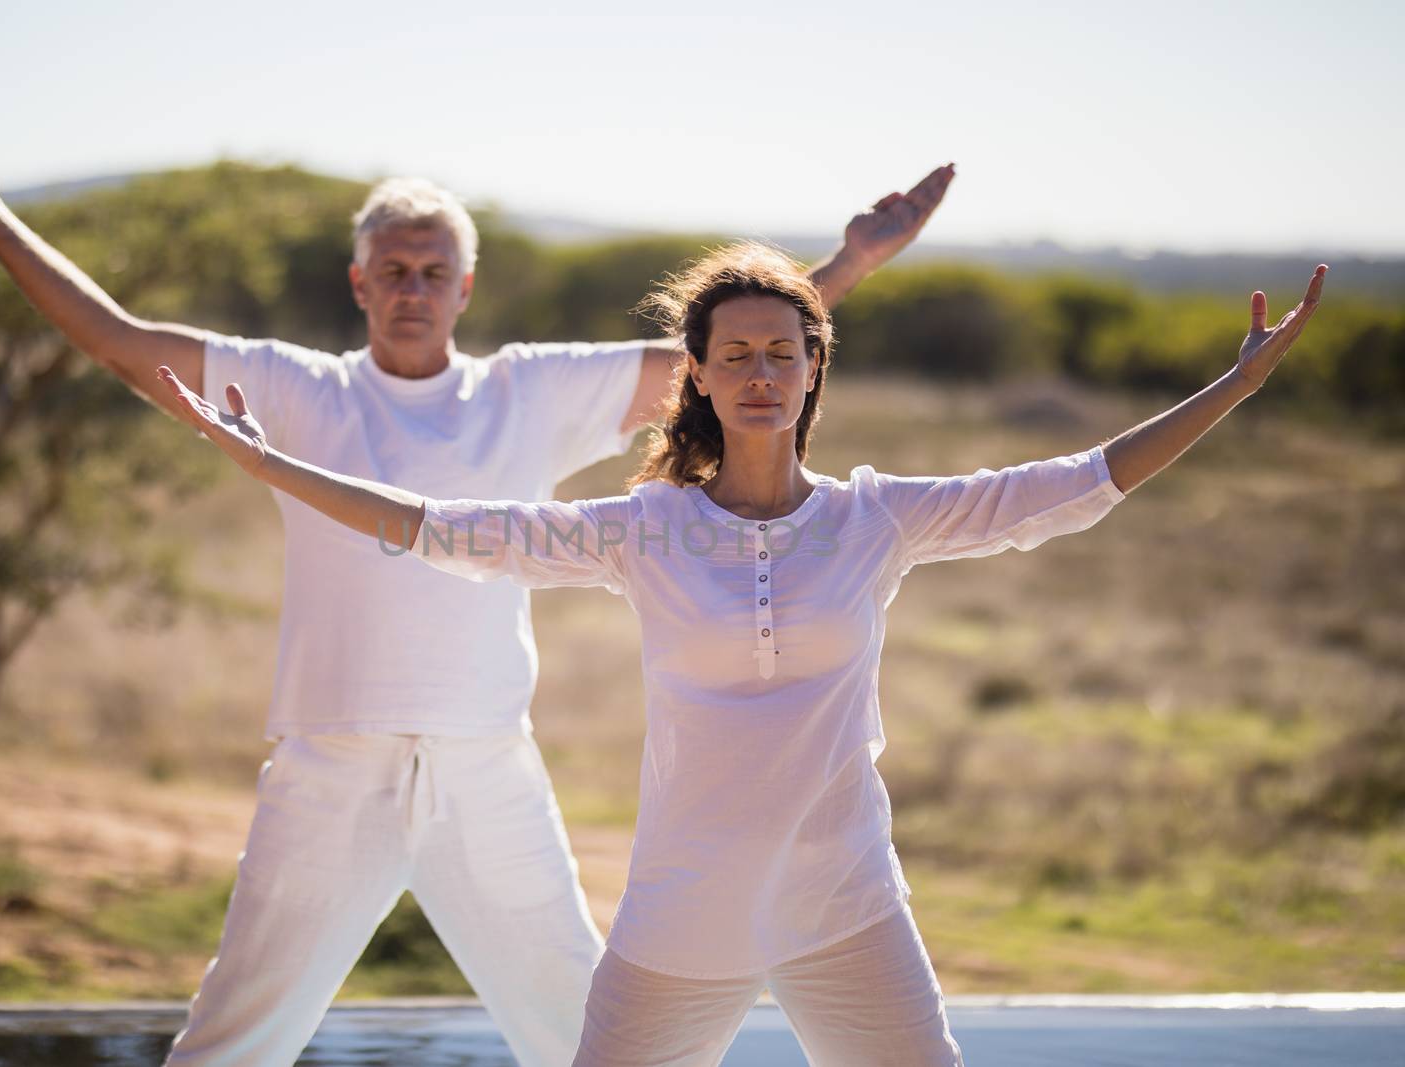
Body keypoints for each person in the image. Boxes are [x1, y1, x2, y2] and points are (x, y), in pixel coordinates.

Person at [0, 99, 956, 1065]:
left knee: (582, 1031)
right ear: (359, 282)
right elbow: (125, 343)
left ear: (465, 287)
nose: (412, 287)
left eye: (432, 271)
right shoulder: (293, 387)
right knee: (231, 1037)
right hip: (330, 760)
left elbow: (732, 353)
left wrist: (850, 263)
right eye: (392, 270)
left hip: (486, 763)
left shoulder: (528, 389)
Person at [156, 241, 1325, 1065]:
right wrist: (270, 465)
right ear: (698, 377)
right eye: (737, 354)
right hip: (680, 913)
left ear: (814, 368)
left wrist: (1231, 385)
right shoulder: (645, 526)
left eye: (783, 351)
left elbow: (1067, 489)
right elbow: (449, 526)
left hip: (845, 901)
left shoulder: (876, 518)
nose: (760, 372)